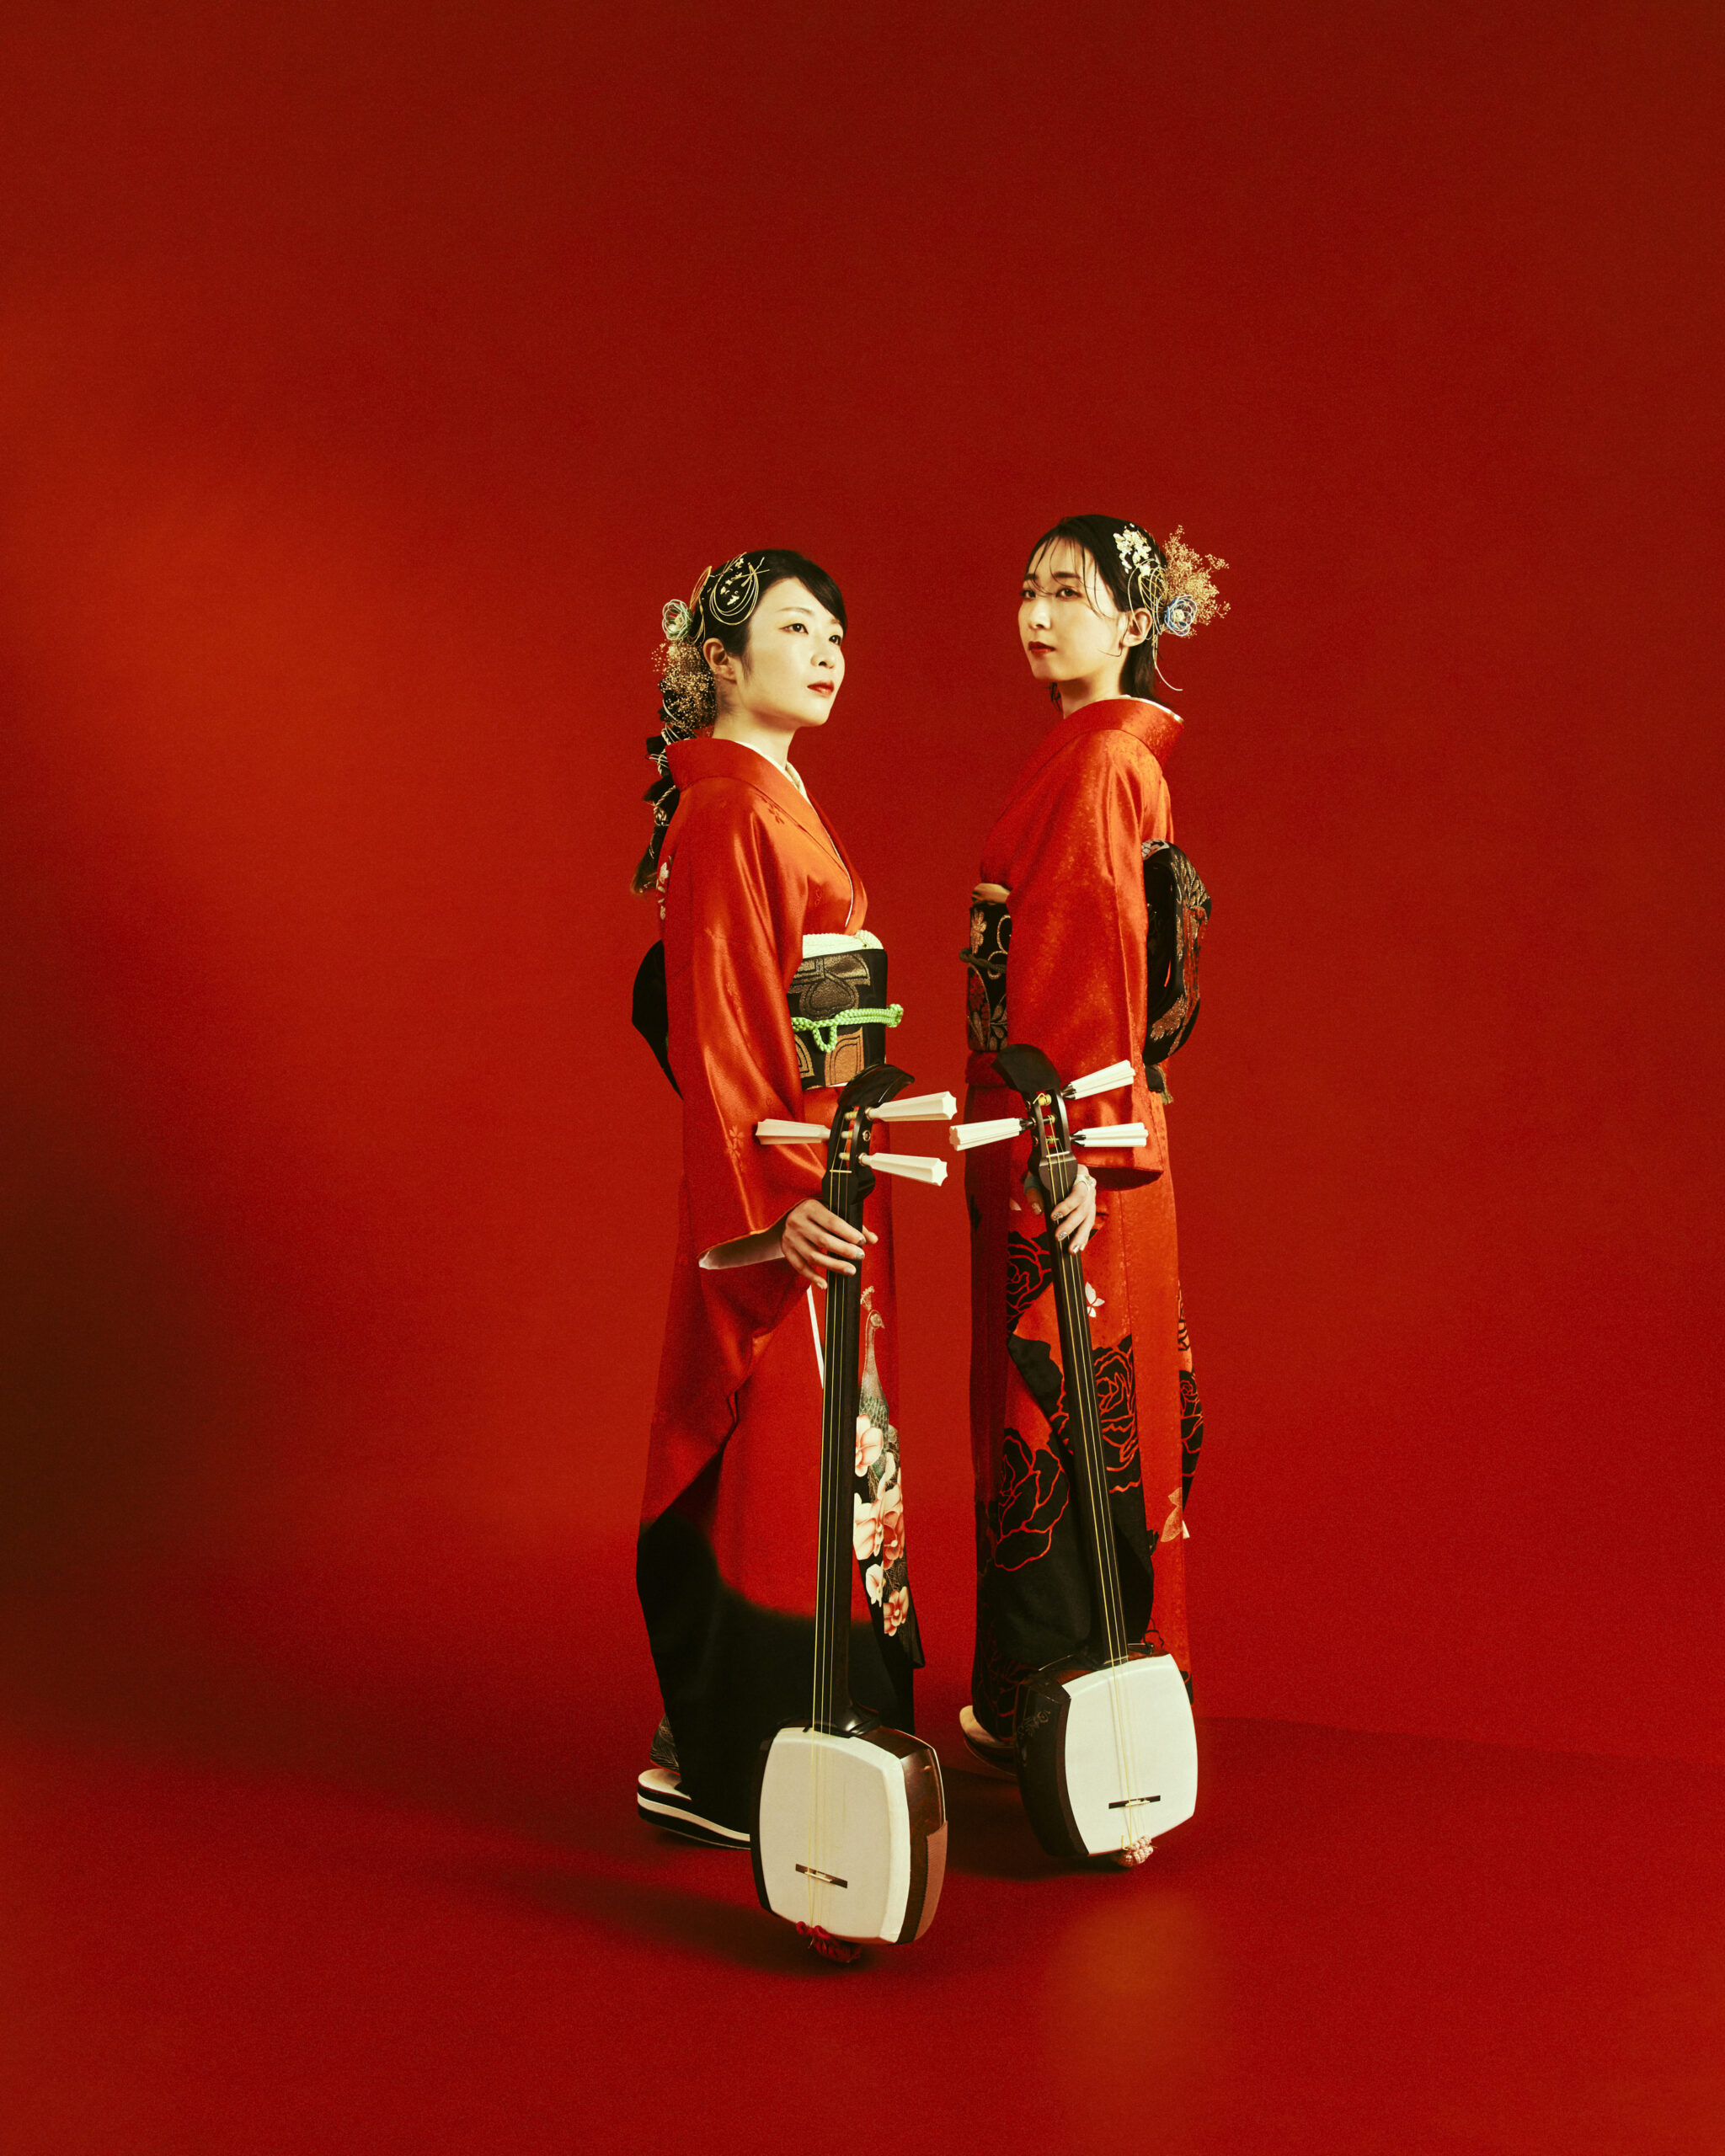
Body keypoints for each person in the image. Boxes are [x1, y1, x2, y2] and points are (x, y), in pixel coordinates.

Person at [631, 550, 922, 1848]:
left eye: (837, 635)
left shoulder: (775, 798)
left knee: (832, 1452)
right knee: (786, 1453)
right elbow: (728, 1045)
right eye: (796, 630)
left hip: (830, 1159)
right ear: (720, 661)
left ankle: (811, 1729)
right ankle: (742, 1754)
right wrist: (776, 1206)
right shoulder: (728, 815)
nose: (827, 654)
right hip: (788, 1179)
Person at [959, 515, 1225, 1770]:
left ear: (1134, 624)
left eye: (1069, 592)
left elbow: (1096, 964)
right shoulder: (1089, 754)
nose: (1037, 610)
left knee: (1062, 1414)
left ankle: (1073, 1714)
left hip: (1072, 1137)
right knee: (1084, 1410)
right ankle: (1075, 1704)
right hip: (1075, 1124)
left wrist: (1072, 1151)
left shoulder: (1103, 763)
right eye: (1027, 587)